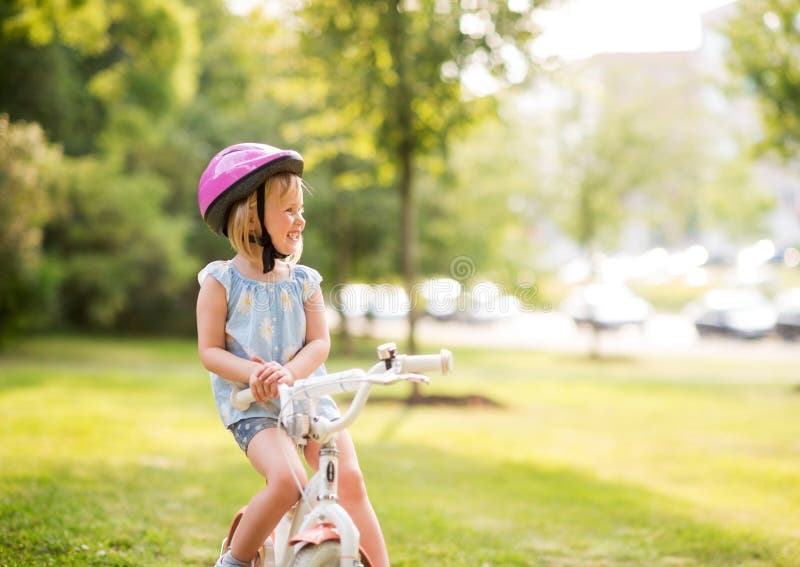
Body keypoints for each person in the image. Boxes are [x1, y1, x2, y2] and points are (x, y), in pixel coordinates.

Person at [195, 143, 389, 567]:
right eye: (288, 210)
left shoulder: (305, 281)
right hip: (255, 408)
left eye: (301, 209)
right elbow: (210, 351)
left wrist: (289, 373)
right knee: (289, 481)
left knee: (349, 479)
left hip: (308, 396)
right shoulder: (220, 282)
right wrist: (255, 374)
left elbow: (319, 343)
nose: (300, 219)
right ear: (251, 216)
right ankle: (235, 561)